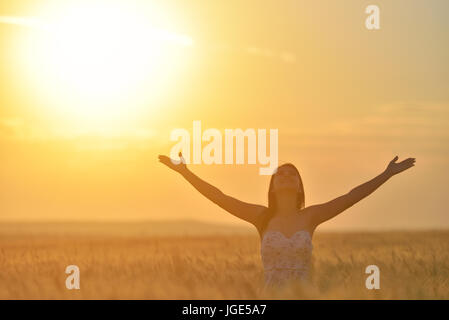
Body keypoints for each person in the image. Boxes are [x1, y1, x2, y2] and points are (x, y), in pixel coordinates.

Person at [158, 153, 415, 291]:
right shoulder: (261, 217)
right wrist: (185, 172)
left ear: (300, 187)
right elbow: (220, 197)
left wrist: (387, 174)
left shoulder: (311, 216)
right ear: (272, 186)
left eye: (292, 174)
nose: (286, 176)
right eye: (280, 174)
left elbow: (351, 197)